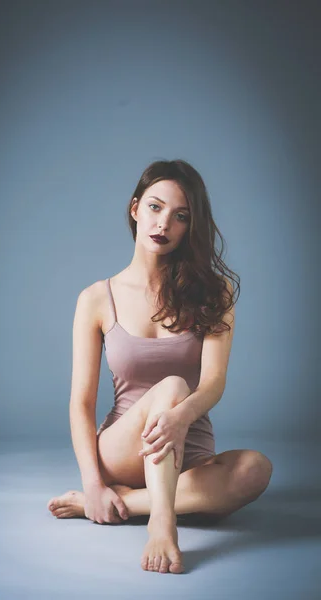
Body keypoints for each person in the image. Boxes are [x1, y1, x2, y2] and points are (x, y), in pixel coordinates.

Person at [47, 159, 273, 574]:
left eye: (180, 216)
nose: (163, 223)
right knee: (170, 386)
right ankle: (162, 522)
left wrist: (181, 418)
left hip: (189, 445)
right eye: (155, 207)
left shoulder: (215, 292)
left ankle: (125, 504)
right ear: (135, 209)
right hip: (124, 450)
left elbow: (214, 382)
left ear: (191, 226)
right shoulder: (97, 298)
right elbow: (81, 402)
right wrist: (95, 481)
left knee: (256, 469)